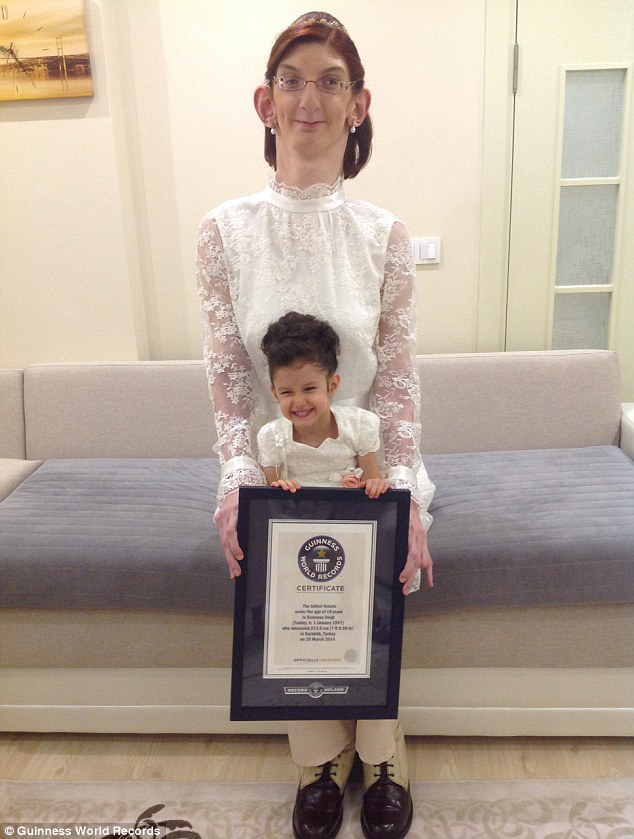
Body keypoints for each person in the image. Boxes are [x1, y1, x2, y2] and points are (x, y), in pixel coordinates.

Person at [196, 11, 435, 839]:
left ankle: (383, 754)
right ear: (264, 102)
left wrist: (401, 491)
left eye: (331, 81)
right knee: (286, 588)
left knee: (377, 580)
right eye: (292, 80)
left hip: (365, 467)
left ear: (358, 104)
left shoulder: (385, 236)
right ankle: (318, 762)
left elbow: (397, 381)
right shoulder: (223, 233)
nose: (310, 98)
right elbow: (229, 381)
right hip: (277, 472)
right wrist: (239, 479)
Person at [258, 311, 392, 500]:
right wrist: (280, 488)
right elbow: (270, 500)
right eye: (286, 392)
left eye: (309, 389)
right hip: (296, 514)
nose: (299, 402)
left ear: (332, 386)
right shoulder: (271, 436)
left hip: (350, 512)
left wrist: (374, 485)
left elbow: (371, 483)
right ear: (275, 393)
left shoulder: (359, 425)